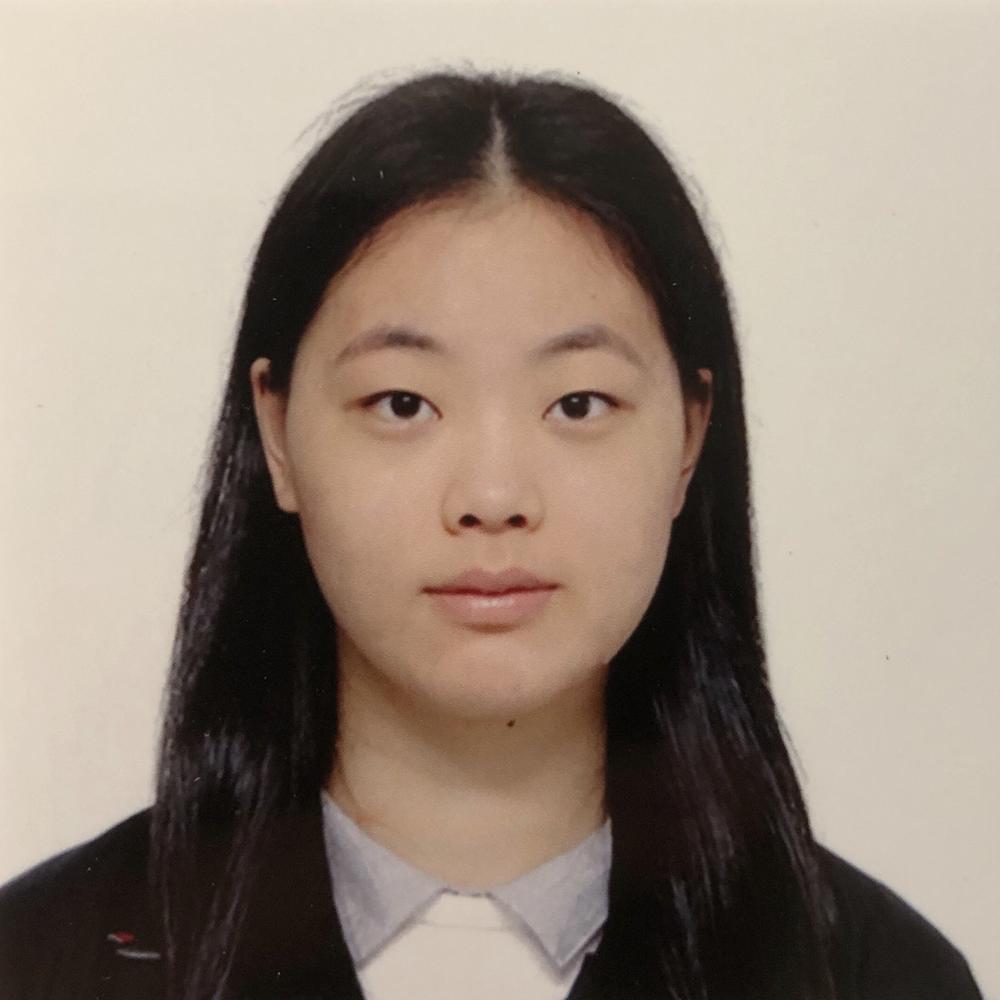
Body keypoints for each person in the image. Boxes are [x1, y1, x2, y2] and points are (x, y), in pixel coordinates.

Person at [0, 69, 984, 1000]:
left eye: (578, 402)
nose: (492, 493)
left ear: (687, 437)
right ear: (278, 434)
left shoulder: (874, 974)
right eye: (401, 402)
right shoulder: (41, 959)